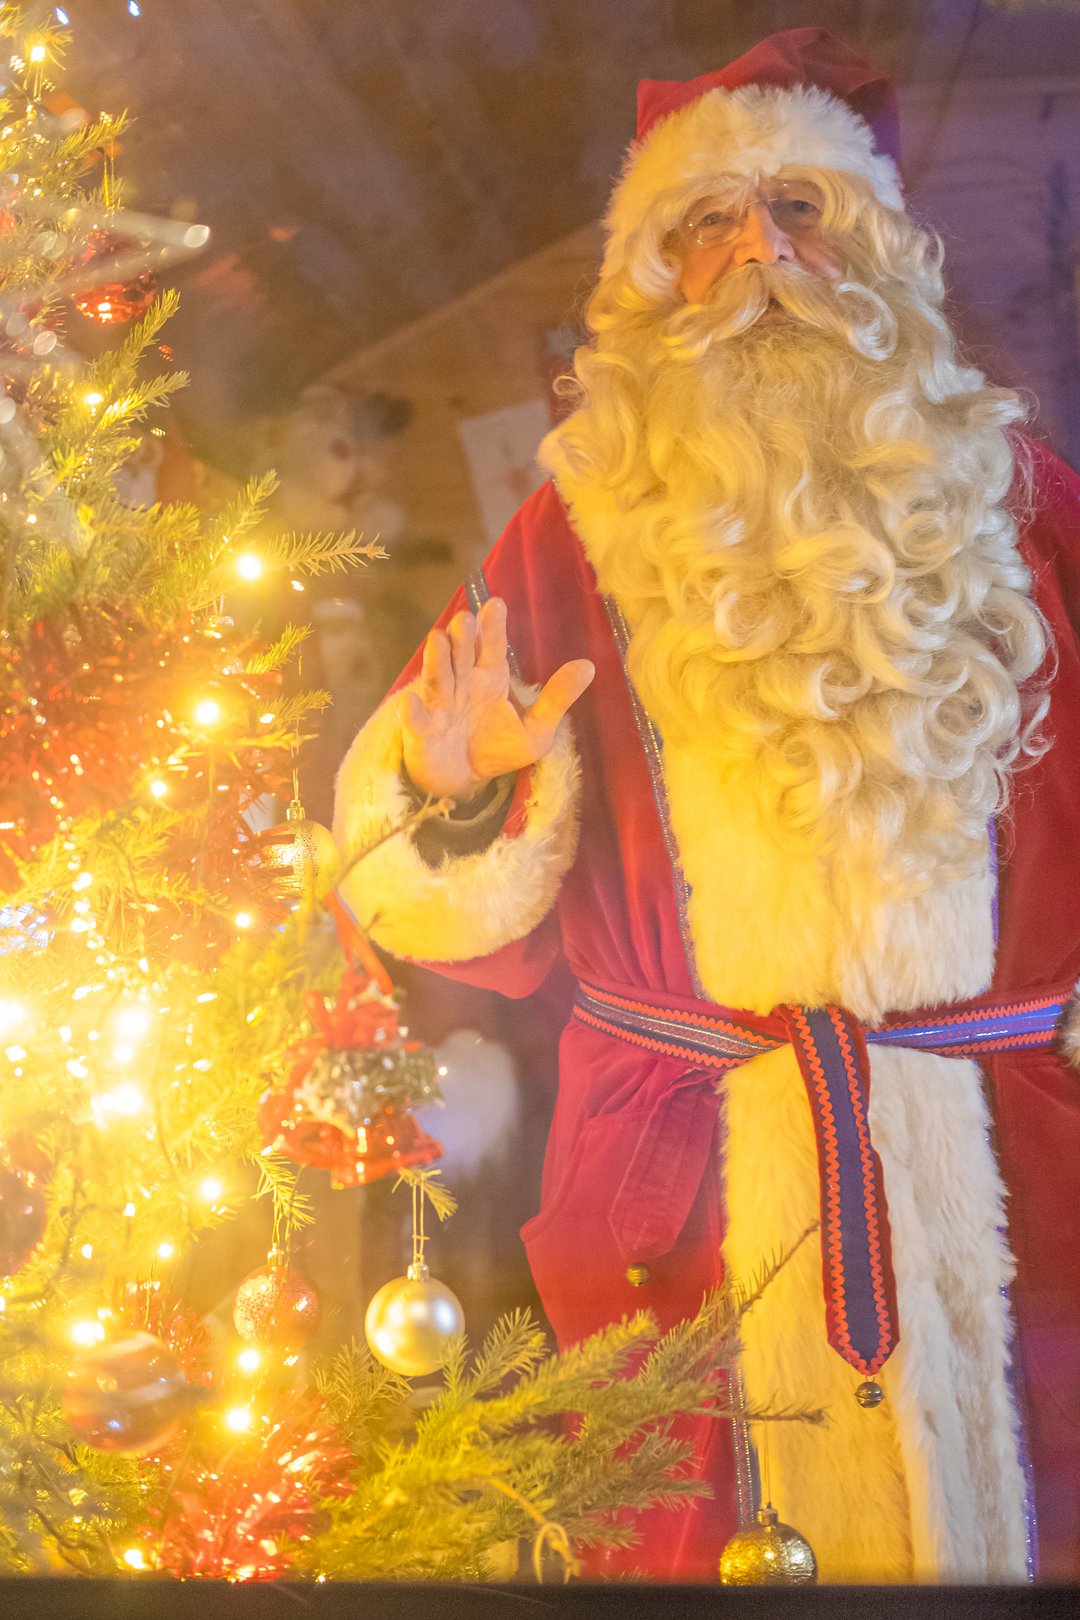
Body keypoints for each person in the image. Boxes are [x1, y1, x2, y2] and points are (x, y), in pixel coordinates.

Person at [334, 28, 1080, 1584]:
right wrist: (454, 793)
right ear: (645, 286)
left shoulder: (1017, 503)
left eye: (802, 211)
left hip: (1013, 1163)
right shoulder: (568, 534)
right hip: (679, 1193)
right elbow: (407, 880)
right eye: (707, 226)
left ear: (873, 244)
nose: (763, 257)